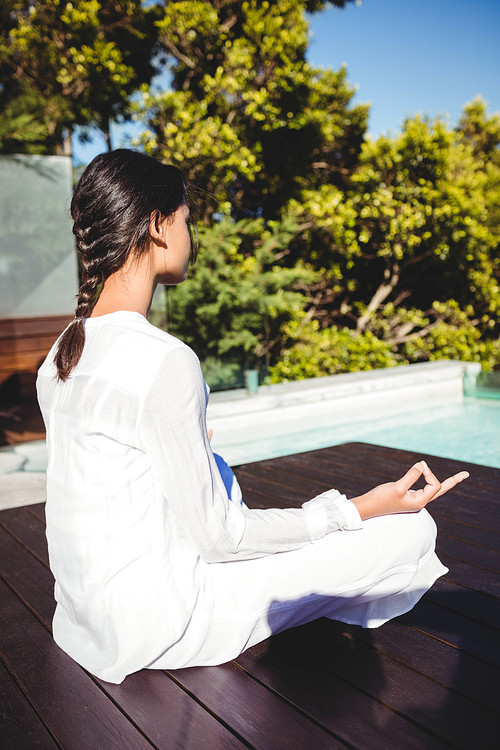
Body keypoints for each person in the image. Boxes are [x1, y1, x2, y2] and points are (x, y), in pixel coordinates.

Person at [36, 149, 469, 685]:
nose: (192, 236)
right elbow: (219, 538)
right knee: (408, 533)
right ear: (156, 225)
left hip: (84, 621)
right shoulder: (164, 360)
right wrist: (356, 509)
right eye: (187, 221)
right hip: (164, 622)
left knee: (214, 465)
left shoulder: (61, 353)